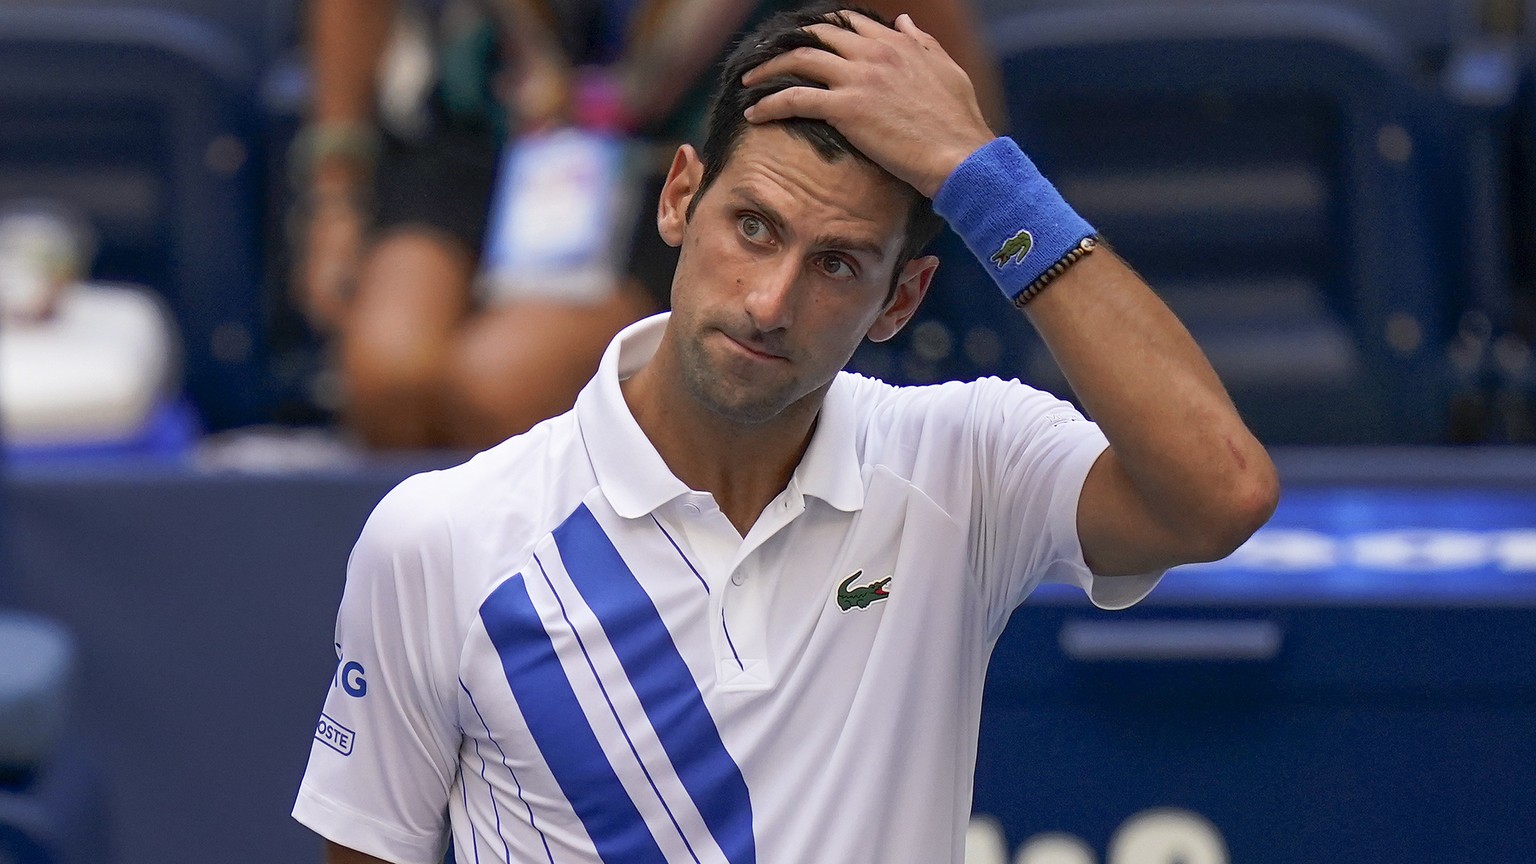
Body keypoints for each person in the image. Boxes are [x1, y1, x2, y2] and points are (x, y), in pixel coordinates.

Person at [293, 5, 1279, 863]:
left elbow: (1221, 490)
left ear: (902, 300)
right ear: (680, 197)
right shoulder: (437, 539)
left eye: (840, 265)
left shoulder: (968, 463)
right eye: (755, 227)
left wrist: (985, 177)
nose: (770, 303)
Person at [293, 0, 1004, 450]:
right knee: (386, 376)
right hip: (484, 135)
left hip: (694, 160)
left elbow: (946, 92)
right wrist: (336, 191)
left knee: (496, 386)